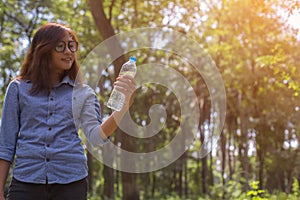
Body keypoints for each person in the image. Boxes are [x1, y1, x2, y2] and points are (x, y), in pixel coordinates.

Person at [0, 22, 136, 200]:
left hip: (72, 183)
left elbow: (95, 137)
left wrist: (123, 108)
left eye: (72, 46)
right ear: (43, 49)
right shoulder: (18, 89)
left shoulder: (84, 93)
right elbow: (6, 145)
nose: (69, 51)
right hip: (27, 181)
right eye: (61, 46)